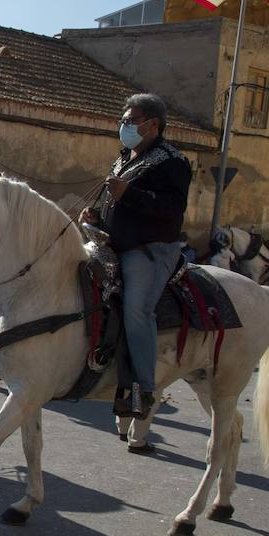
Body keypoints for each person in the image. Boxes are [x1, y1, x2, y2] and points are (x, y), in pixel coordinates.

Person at [80, 93, 193, 420]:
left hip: (150, 251)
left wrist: (129, 193)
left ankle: (144, 388)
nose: (124, 126)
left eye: (130, 121)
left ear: (152, 124)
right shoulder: (124, 158)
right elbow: (120, 209)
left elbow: (172, 210)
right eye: (124, 120)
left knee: (136, 310)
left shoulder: (173, 161)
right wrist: (96, 218)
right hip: (113, 247)